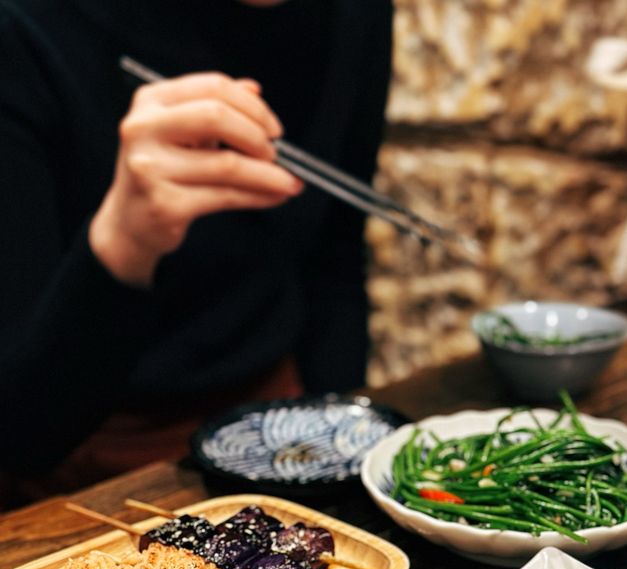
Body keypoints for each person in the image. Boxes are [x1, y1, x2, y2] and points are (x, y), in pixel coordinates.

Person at [0, 0, 393, 507]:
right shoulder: (26, 27)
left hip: (278, 427)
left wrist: (338, 441)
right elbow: (20, 435)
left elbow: (332, 260)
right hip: (82, 461)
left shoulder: (353, 14)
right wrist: (126, 240)